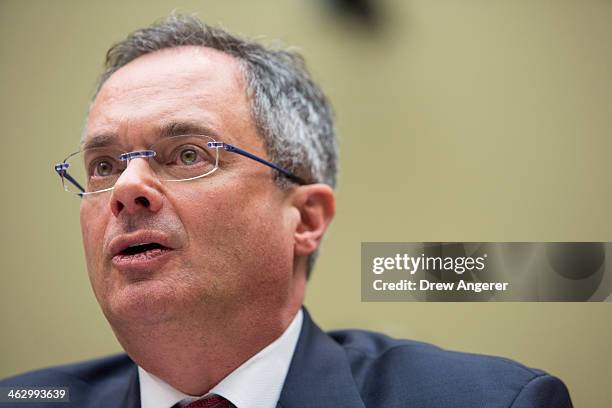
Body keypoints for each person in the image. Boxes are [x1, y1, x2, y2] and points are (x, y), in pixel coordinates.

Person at [1, 15, 572, 408]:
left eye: (189, 154)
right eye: (103, 165)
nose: (127, 187)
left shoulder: (490, 402)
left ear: (305, 218)